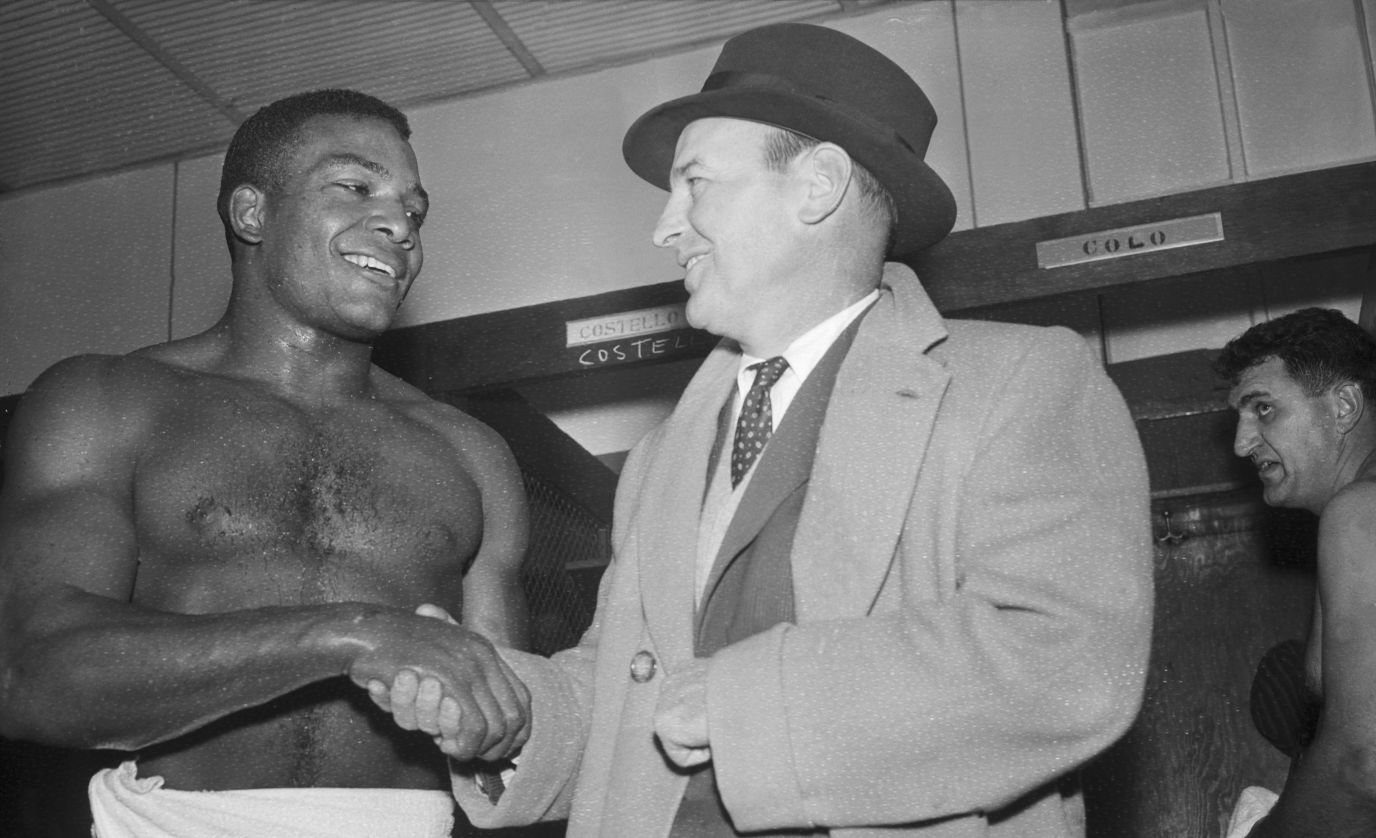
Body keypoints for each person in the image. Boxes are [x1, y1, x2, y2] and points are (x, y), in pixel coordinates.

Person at [376, 22, 1153, 836]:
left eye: (696, 182)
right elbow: (624, 692)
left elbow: (1064, 657)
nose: (665, 226)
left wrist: (751, 705)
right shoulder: (659, 456)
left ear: (817, 185)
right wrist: (501, 709)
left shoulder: (1016, 383)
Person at [0, 89, 532, 838]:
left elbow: (505, 729)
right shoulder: (106, 402)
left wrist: (493, 729)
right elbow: (32, 671)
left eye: (415, 211)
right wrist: (352, 635)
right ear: (252, 214)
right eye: (356, 188)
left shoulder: (470, 452)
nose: (399, 226)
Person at [1216, 307, 1376, 838]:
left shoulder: (1361, 511)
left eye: (1263, 408)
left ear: (1344, 405)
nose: (1242, 444)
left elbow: (1364, 764)